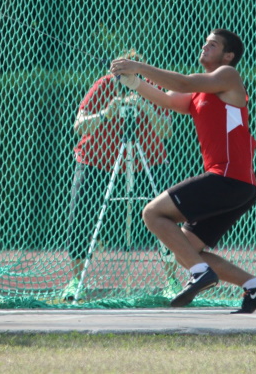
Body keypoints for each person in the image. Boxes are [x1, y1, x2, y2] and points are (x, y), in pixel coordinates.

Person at [109, 29, 256, 314]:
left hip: (227, 179)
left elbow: (183, 83)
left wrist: (139, 67)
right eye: (205, 43)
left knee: (152, 213)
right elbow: (169, 100)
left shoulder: (228, 75)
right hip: (237, 185)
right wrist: (135, 82)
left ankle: (201, 274)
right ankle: (255, 285)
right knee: (187, 249)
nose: (205, 47)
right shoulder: (202, 89)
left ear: (228, 55)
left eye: (213, 45)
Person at [62, 50, 180, 301]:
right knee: (81, 216)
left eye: (133, 70)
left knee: (168, 218)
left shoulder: (154, 87)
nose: (126, 77)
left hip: (149, 160)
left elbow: (166, 131)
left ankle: (172, 280)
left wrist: (145, 106)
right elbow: (79, 126)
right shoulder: (104, 85)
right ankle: (75, 281)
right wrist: (107, 113)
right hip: (96, 161)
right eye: (122, 71)